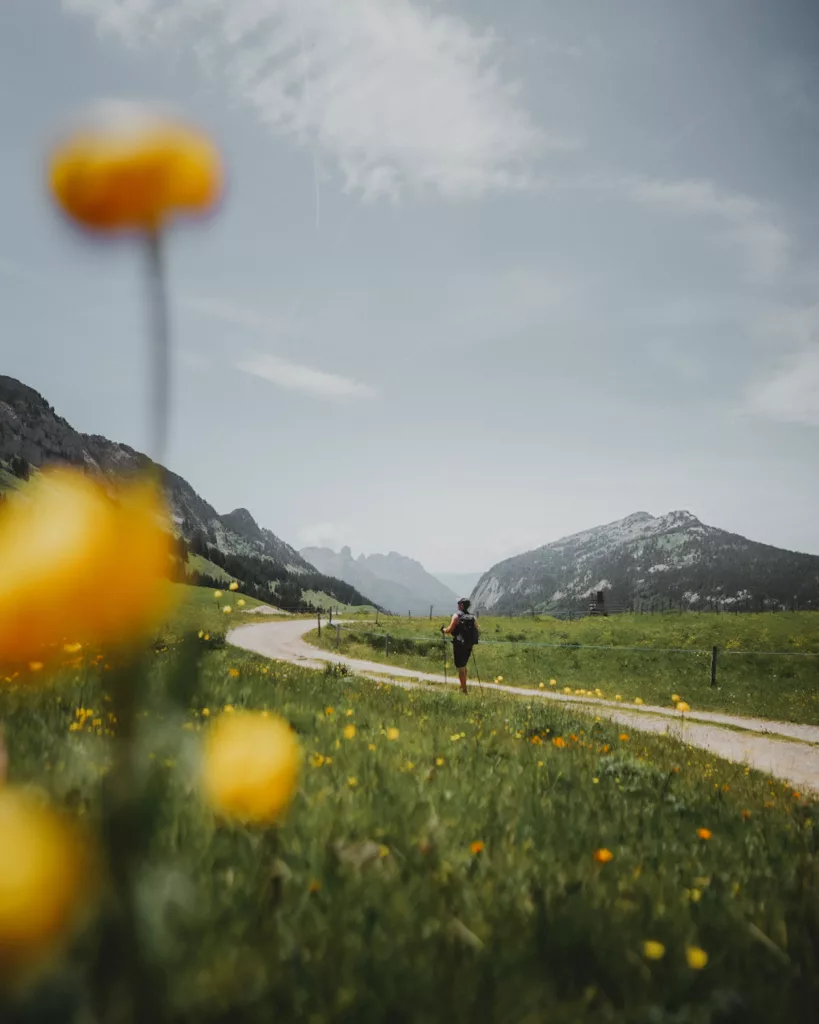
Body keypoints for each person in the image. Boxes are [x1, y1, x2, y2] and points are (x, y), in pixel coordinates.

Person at [442, 598, 479, 694]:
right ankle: (463, 686)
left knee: (460, 667)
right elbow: (476, 628)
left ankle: (464, 690)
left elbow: (449, 630)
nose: (458, 605)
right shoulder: (473, 617)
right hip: (469, 644)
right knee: (464, 665)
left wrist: (443, 630)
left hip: (459, 644)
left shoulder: (456, 616)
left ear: (462, 605)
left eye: (459, 603)